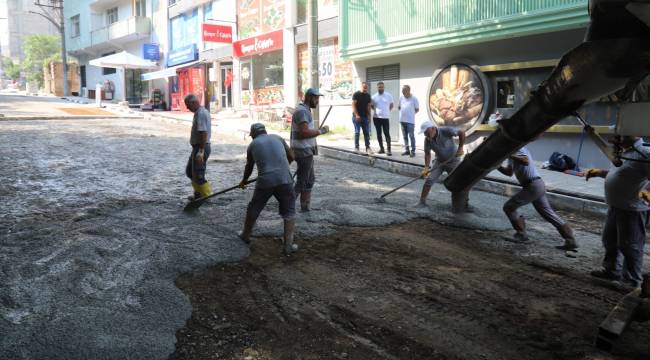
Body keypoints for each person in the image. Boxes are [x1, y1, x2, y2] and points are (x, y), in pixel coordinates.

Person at [587, 135, 650, 288]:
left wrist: (648, 191)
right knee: (610, 240)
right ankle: (611, 270)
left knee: (630, 246)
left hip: (632, 209)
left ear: (634, 133)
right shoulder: (624, 152)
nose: (614, 138)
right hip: (616, 206)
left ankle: (630, 282)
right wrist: (600, 173)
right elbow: (621, 174)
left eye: (619, 133)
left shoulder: (645, 152)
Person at [497, 146, 578, 249]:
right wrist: (497, 166)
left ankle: (521, 234)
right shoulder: (512, 154)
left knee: (508, 207)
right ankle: (570, 240)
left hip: (533, 185)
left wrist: (507, 154)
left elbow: (525, 161)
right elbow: (509, 173)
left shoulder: (518, 148)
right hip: (535, 185)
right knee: (548, 213)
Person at [239, 123, 298, 255]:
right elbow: (292, 157)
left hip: (265, 181)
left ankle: (245, 235)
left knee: (254, 207)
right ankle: (288, 245)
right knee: (289, 211)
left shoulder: (252, 145)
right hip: (285, 179)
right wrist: (281, 168)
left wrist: (244, 181)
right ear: (265, 131)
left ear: (253, 135)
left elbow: (249, 166)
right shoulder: (278, 138)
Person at [417, 120, 471, 213]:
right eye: (424, 132)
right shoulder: (427, 140)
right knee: (429, 180)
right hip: (439, 161)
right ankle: (422, 202)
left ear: (433, 128)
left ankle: (463, 205)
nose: (425, 134)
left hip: (453, 160)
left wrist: (460, 148)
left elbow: (461, 132)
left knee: (459, 182)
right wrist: (426, 168)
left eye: (426, 131)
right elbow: (427, 154)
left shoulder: (445, 131)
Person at [291, 88, 330, 212]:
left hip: (304, 150)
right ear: (309, 98)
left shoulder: (305, 110)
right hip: (302, 151)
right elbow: (304, 132)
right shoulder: (302, 111)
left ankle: (305, 207)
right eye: (316, 98)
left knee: (309, 180)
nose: (317, 101)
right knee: (302, 181)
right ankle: (288, 207)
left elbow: (305, 131)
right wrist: (320, 131)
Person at [184, 94, 212, 200]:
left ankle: (206, 196)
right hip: (198, 147)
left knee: (198, 175)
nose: (187, 108)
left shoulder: (200, 113)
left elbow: (203, 133)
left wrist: (201, 151)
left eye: (188, 105)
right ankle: (199, 194)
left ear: (194, 102)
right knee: (190, 172)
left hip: (201, 147)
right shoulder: (199, 112)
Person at [371, 81, 394, 155]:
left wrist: (386, 111)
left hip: (385, 118)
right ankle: (381, 149)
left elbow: (391, 105)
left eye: (382, 87)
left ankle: (389, 150)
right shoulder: (374, 97)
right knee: (378, 134)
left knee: (387, 133)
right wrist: (376, 111)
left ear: (384, 87)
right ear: (377, 88)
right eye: (379, 87)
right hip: (376, 118)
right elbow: (371, 106)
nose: (380, 88)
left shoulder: (388, 95)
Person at [398, 85, 419, 157]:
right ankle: (407, 150)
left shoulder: (414, 99)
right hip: (402, 120)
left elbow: (417, 109)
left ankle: (413, 151)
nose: (403, 93)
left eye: (404, 91)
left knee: (411, 136)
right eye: (402, 91)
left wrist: (410, 114)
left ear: (409, 90)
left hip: (410, 121)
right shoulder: (401, 98)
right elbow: (399, 107)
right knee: (405, 136)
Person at [352, 81, 373, 153]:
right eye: (364, 87)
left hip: (365, 117)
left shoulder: (368, 96)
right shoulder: (356, 94)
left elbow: (368, 106)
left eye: (366, 88)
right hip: (356, 117)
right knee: (357, 132)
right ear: (361, 87)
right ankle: (356, 147)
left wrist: (369, 116)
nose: (365, 89)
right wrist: (357, 115)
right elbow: (353, 105)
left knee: (366, 132)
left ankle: (368, 147)